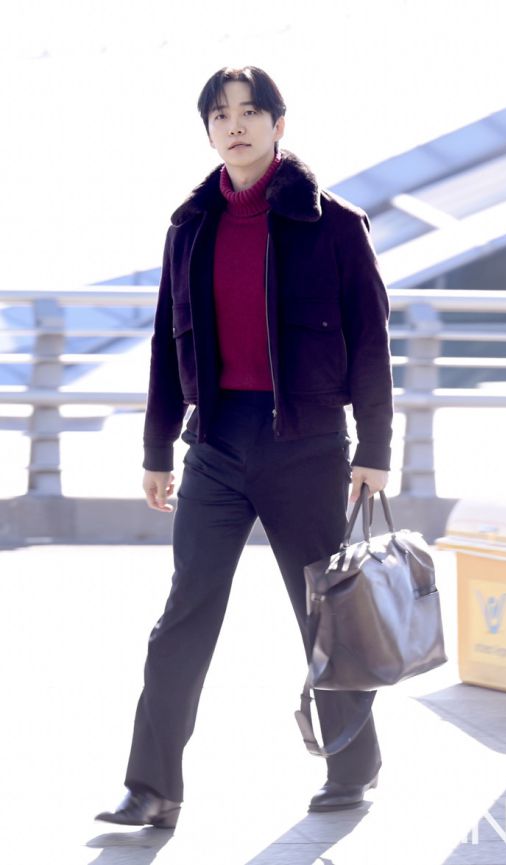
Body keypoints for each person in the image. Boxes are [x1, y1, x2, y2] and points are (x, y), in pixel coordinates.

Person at [96, 65, 393, 831]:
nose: (235, 125)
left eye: (251, 112)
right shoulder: (190, 227)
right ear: (208, 131)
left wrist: (375, 446)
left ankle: (352, 764)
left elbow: (370, 342)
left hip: (308, 444)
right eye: (220, 115)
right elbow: (166, 345)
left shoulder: (335, 224)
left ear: (278, 125)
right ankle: (152, 786)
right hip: (218, 443)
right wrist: (157, 449)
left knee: (323, 610)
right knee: (184, 612)